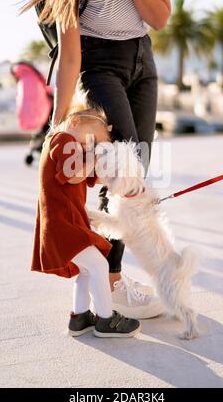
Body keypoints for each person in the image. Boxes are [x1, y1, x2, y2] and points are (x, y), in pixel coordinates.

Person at [22, 0, 171, 319]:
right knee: (121, 169)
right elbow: (70, 59)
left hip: (142, 60)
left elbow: (159, 17)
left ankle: (113, 278)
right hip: (99, 64)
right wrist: (57, 126)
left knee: (138, 165)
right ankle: (112, 282)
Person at [32, 106, 141, 338]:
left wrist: (124, 175)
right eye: (92, 140)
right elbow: (74, 174)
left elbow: (93, 176)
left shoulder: (70, 147)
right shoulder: (60, 139)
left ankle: (79, 318)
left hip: (66, 223)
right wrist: (93, 154)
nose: (91, 147)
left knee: (87, 270)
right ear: (74, 124)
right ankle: (105, 319)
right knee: (99, 266)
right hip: (62, 224)